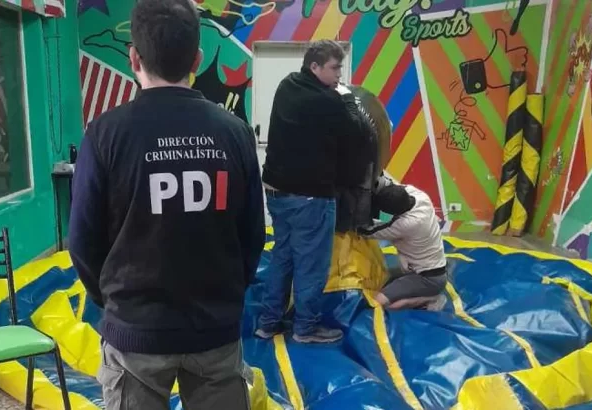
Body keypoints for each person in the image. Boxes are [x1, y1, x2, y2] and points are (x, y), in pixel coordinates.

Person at [68, 0, 266, 408]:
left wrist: (114, 302)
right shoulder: (234, 132)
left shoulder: (105, 134)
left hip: (136, 329)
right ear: (197, 59)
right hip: (214, 328)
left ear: (133, 58)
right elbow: (252, 234)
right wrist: (227, 295)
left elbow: (83, 239)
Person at [256, 40, 368, 343]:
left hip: (276, 192)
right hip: (309, 196)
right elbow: (358, 134)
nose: (339, 74)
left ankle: (268, 323)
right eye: (335, 68)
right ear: (314, 67)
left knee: (282, 257)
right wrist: (347, 99)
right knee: (311, 265)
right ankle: (305, 328)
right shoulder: (329, 102)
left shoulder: (287, 85)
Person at [358, 176, 448, 310]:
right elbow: (390, 184)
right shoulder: (419, 196)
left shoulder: (407, 224)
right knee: (380, 278)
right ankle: (420, 291)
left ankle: (432, 299)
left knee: (378, 303)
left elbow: (367, 232)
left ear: (393, 212)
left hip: (427, 279)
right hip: (429, 270)